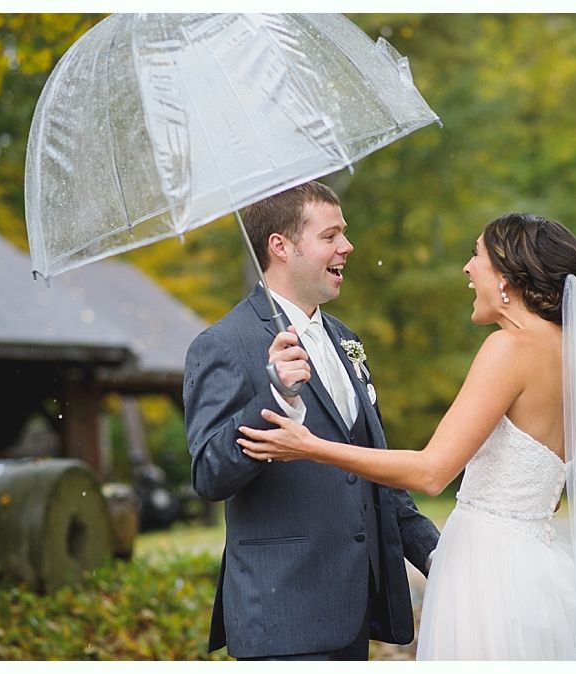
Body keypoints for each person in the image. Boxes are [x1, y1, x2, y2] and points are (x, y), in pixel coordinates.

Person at [239, 212, 576, 660]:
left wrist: (310, 447)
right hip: (539, 569)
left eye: (477, 256)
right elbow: (551, 489)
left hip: (490, 574)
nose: (468, 269)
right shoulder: (573, 355)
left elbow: (432, 472)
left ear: (507, 277)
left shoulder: (510, 347)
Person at [184, 181, 440, 660]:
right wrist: (274, 394)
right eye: (331, 235)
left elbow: (371, 465)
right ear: (280, 246)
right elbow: (208, 475)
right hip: (281, 616)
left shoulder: (346, 339)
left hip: (354, 612)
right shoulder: (221, 345)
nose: (347, 246)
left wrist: (435, 554)